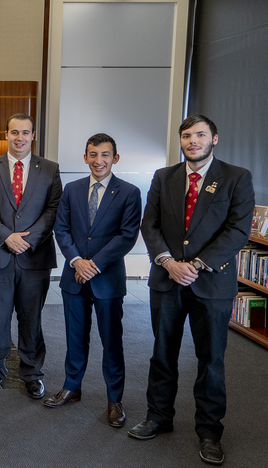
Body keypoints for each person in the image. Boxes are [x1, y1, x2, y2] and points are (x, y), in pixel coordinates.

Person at [128, 114, 254, 465]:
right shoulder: (163, 177)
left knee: (210, 359)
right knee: (162, 352)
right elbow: (149, 224)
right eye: (186, 136)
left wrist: (196, 265)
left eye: (200, 135)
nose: (192, 141)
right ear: (180, 141)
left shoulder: (236, 177)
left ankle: (210, 432)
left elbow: (237, 231)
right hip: (167, 279)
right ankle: (158, 417)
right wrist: (169, 262)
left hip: (211, 282)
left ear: (215, 138)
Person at [46, 133, 141, 428]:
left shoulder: (129, 192)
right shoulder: (72, 190)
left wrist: (94, 265)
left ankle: (115, 400)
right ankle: (72, 387)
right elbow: (61, 230)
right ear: (85, 157)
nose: (98, 160)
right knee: (75, 338)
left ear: (115, 157)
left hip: (107, 280)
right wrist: (76, 261)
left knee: (112, 341)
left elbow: (127, 236)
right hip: (74, 278)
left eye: (105, 154)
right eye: (93, 154)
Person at [0, 113, 62, 399]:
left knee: (31, 317)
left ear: (33, 135)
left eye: (25, 132)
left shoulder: (49, 169)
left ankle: (32, 373)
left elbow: (53, 210)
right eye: (14, 132)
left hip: (34, 256)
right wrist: (6, 237)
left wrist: (28, 239)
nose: (20, 138)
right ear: (7, 134)